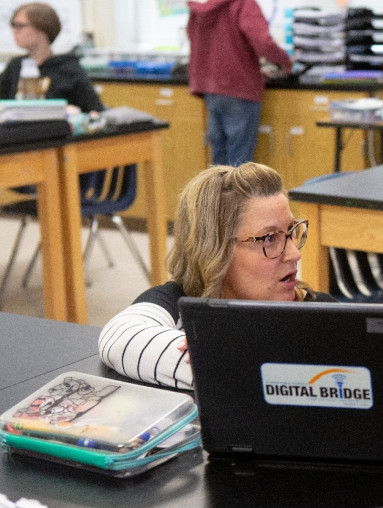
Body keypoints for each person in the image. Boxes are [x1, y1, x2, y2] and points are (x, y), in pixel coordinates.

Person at [98, 162, 334, 390]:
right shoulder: (177, 301)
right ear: (216, 251)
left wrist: (226, 359)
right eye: (269, 238)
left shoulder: (319, 312)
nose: (294, 254)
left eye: (292, 231)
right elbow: (119, 338)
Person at [186, 0, 293, 166]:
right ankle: (237, 194)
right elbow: (262, 41)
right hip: (240, 88)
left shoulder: (200, 7)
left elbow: (195, 39)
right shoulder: (244, 4)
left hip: (211, 89)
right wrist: (285, 61)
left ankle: (217, 193)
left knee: (218, 164)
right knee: (240, 164)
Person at [0, 2, 104, 113]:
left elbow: (95, 111)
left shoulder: (68, 69)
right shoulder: (16, 66)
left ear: (41, 28)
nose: (14, 31)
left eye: (20, 26)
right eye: (13, 26)